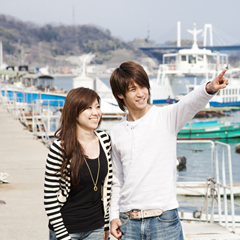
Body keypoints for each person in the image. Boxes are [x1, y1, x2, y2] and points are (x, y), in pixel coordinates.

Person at [109, 61, 228, 240]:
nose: (141, 93)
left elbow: (188, 104)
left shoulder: (165, 117)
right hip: (129, 222)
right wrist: (113, 216)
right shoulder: (117, 131)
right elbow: (117, 180)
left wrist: (209, 88)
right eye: (133, 89)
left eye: (143, 86)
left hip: (163, 220)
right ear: (120, 94)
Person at [44, 87, 112, 240]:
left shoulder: (104, 140)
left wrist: (106, 226)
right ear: (74, 112)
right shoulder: (60, 148)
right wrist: (63, 236)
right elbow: (50, 198)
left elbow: (106, 188)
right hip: (67, 230)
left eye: (97, 106)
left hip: (96, 228)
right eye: (88, 108)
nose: (95, 112)